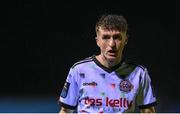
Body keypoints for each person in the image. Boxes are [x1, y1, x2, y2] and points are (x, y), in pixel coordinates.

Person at [58, 14, 157, 113]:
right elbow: (65, 111)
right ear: (98, 41)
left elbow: (148, 112)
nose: (112, 44)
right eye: (106, 37)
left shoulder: (139, 73)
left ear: (125, 40)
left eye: (117, 37)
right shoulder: (79, 70)